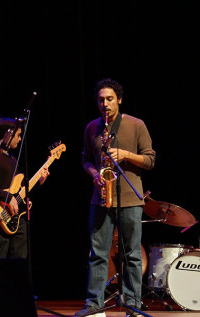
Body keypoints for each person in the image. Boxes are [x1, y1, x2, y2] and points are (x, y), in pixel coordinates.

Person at [77, 78, 156, 317]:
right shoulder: (92, 127)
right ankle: (94, 305)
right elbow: (86, 159)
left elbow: (150, 160)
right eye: (101, 100)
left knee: (132, 253)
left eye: (110, 99)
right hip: (101, 198)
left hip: (131, 198)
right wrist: (93, 173)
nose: (105, 104)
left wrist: (126, 155)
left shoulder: (136, 124)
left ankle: (133, 304)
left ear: (119, 99)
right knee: (97, 253)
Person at [0, 118, 49, 258]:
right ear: (8, 134)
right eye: (18, 135)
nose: (20, 139)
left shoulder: (13, 159)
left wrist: (39, 181)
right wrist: (8, 198)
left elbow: (20, 191)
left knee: (19, 264)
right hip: (0, 217)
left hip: (18, 218)